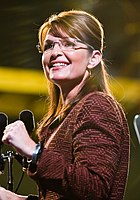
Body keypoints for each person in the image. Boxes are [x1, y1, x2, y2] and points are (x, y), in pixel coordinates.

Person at [0, 10, 130, 200]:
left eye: (69, 44)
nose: (55, 53)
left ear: (93, 58)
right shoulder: (64, 117)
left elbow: (95, 189)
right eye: (49, 46)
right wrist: (14, 199)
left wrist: (34, 151)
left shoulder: (96, 105)